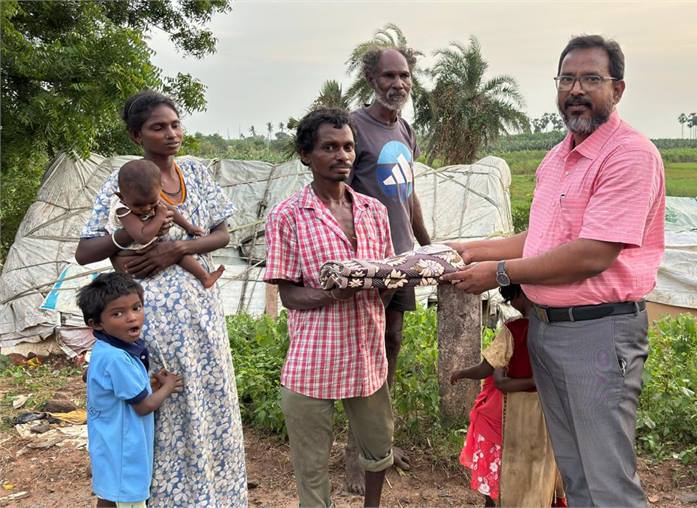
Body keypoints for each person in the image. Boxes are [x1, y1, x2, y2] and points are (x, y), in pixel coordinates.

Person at [443, 35, 665, 507]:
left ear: (617, 89)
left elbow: (592, 254)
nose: (576, 89)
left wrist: (499, 272)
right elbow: (542, 239)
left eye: (591, 79)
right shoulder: (557, 157)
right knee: (575, 471)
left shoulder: (629, 155)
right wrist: (469, 250)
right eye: (566, 79)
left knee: (606, 481)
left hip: (597, 335)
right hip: (549, 331)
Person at [74, 91, 247, 506]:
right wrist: (125, 237)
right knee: (163, 410)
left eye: (175, 124)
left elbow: (222, 235)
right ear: (137, 136)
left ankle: (212, 496)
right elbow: (85, 251)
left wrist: (178, 249)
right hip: (150, 322)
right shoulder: (122, 184)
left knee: (207, 403)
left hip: (202, 316)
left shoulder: (196, 173)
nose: (171, 134)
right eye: (158, 127)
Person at [263, 108, 395, 507]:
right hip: (313, 360)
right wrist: (334, 294)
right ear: (306, 155)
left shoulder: (374, 212)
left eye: (348, 147)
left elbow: (386, 276)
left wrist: (388, 283)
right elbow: (289, 295)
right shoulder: (288, 216)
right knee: (311, 466)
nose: (343, 156)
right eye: (330, 147)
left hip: (366, 357)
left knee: (379, 449)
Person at [345, 45, 431, 487]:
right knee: (366, 348)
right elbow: (338, 196)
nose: (398, 84)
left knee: (391, 341)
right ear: (371, 80)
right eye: (389, 76)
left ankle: (380, 443)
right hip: (370, 261)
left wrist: (429, 247)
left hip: (401, 258)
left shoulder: (405, 130)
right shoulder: (354, 127)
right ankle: (355, 453)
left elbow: (407, 195)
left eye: (404, 76)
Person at [451, 284, 565, 507]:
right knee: (541, 465)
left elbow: (489, 370)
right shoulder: (557, 328)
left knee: (512, 463)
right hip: (548, 411)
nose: (511, 304)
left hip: (516, 410)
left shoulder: (513, 330)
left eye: (511, 298)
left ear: (521, 293)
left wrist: (462, 373)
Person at [78, 272, 183, 508]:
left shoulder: (105, 349)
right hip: (125, 447)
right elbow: (143, 407)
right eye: (118, 313)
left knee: (110, 495)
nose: (131, 317)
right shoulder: (117, 358)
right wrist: (168, 387)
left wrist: (149, 386)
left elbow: (118, 390)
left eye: (137, 308)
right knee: (128, 499)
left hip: (109, 440)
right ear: (96, 324)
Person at [109, 159, 225, 288]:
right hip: (132, 255)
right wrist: (159, 216)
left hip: (148, 247)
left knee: (177, 253)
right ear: (121, 197)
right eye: (138, 205)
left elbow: (171, 210)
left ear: (160, 189)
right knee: (170, 253)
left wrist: (188, 227)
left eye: (152, 203)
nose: (147, 208)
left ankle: (205, 278)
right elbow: (143, 237)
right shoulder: (121, 209)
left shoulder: (149, 196)